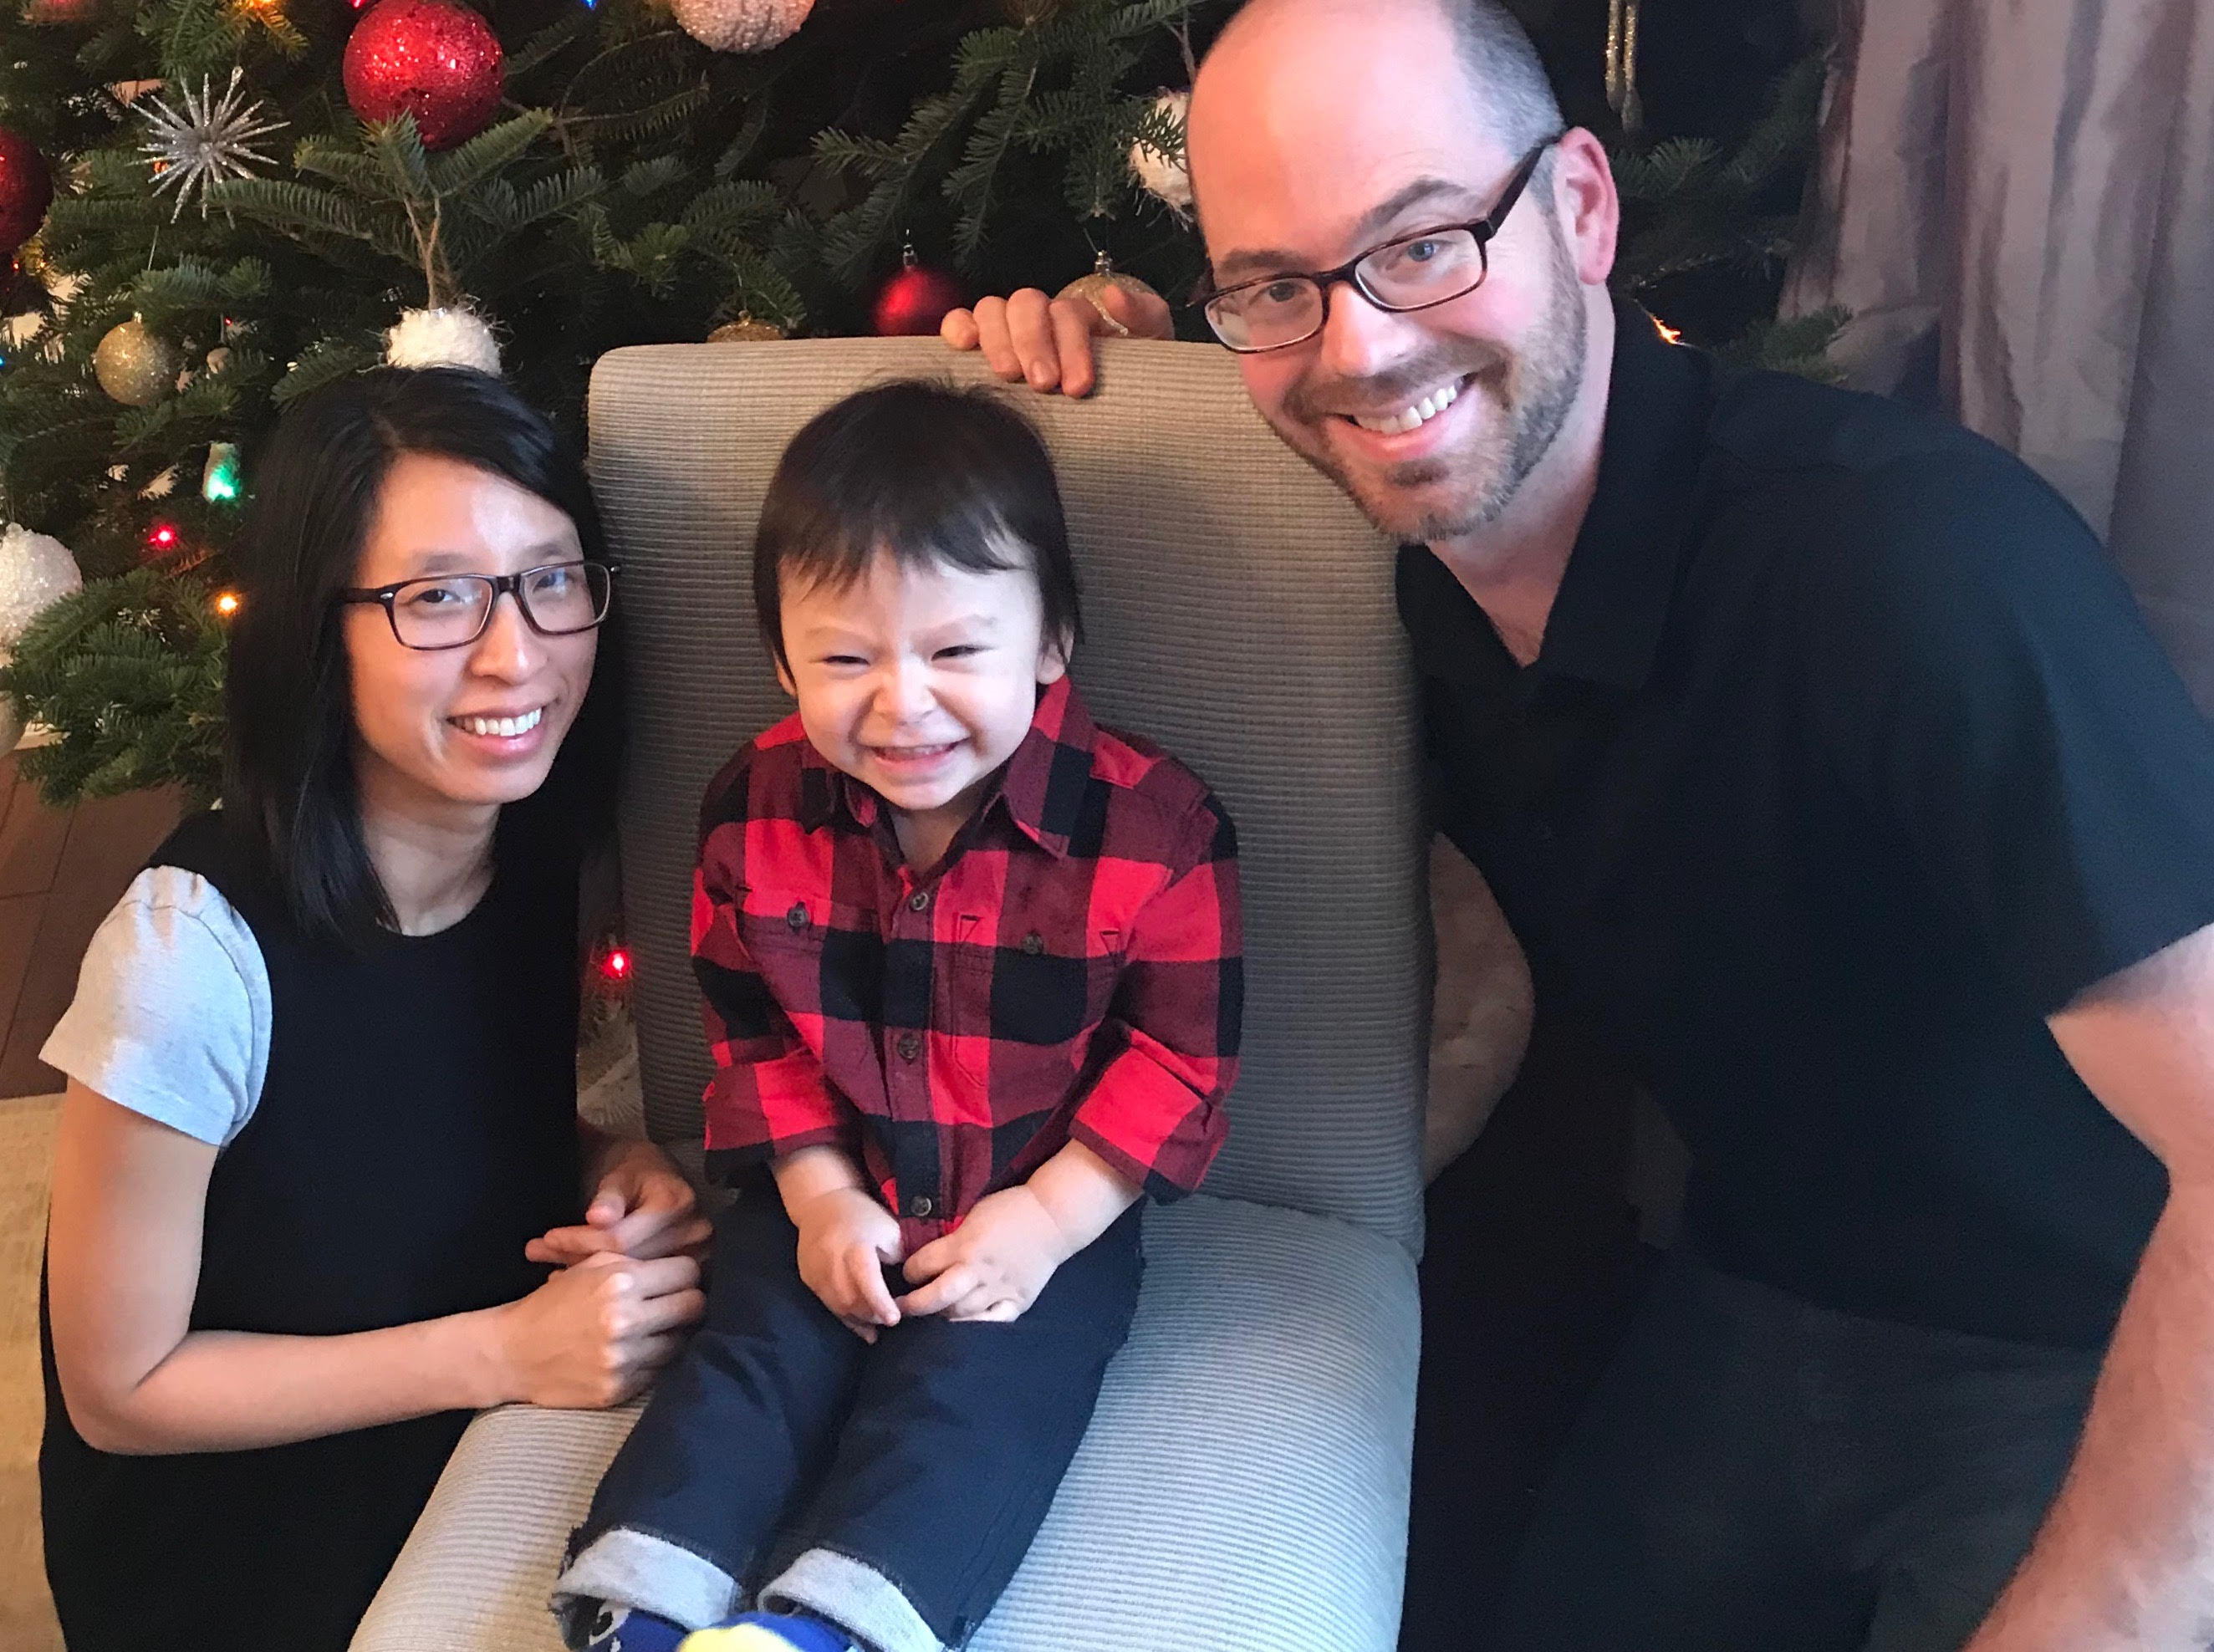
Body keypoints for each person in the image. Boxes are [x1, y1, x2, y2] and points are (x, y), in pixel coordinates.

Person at [941, 2, 2214, 1648]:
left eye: (1422, 241)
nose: (1357, 348)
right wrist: (1094, 366)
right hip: (1761, 1297)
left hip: (2093, 1342)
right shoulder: (1423, 597)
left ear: (1584, 210)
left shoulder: (1908, 571)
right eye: (1274, 284)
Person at [548, 380, 1242, 1652]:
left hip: (1045, 1210)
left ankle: (828, 1630)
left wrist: (1044, 1222)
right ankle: (640, 1605)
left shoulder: (1155, 830)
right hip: (832, 1184)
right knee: (752, 1360)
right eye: (848, 659)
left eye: (956, 651)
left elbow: (1178, 1064)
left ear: (1051, 641)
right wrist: (817, 1198)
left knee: (974, 1407)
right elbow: (751, 1032)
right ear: (784, 661)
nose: (903, 704)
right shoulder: (752, 809)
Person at [39, 367, 710, 1652]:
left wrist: (603, 1157)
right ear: (315, 630)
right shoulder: (187, 956)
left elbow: (390, 1118)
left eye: (552, 578)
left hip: (460, 1449)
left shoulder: (536, 841)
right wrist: (509, 1355)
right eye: (438, 597)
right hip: (230, 1553)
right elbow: (119, 1388)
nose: (518, 653)